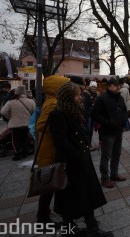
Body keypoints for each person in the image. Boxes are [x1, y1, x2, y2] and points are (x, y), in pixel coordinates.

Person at [49, 82, 112, 237]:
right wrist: (77, 157)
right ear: (68, 98)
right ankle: (85, 228)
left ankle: (80, 227)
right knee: (76, 196)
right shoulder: (58, 114)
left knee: (82, 195)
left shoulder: (74, 111)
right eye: (77, 95)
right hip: (72, 163)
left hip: (81, 160)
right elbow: (61, 142)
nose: (80, 98)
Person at [35, 75, 70, 225]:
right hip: (50, 151)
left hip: (51, 149)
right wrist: (59, 131)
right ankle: (42, 218)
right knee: (49, 186)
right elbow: (41, 124)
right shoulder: (53, 103)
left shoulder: (53, 100)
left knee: (51, 184)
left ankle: (46, 213)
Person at [91, 78, 128, 188]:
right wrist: (108, 122)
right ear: (109, 86)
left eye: (119, 85)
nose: (118, 87)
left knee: (116, 153)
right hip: (107, 132)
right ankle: (104, 178)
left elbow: (124, 110)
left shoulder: (120, 98)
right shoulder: (102, 98)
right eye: (115, 85)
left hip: (118, 131)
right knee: (106, 155)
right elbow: (95, 114)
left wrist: (124, 121)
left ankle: (114, 174)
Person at [0, 85, 35, 161]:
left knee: (15, 139)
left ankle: (18, 153)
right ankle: (24, 152)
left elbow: (3, 112)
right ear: (24, 92)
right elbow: (34, 112)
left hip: (15, 124)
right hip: (27, 123)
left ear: (16, 93)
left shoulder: (11, 102)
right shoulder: (31, 101)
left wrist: (10, 117)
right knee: (25, 138)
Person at [82, 81, 99, 148]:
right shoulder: (85, 94)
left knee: (90, 130)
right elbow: (85, 107)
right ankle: (87, 144)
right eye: (92, 86)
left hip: (92, 115)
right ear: (89, 86)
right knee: (87, 130)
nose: (93, 88)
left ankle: (89, 144)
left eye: (95, 87)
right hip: (87, 115)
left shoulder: (94, 94)